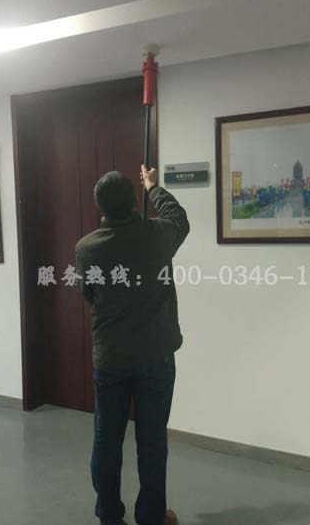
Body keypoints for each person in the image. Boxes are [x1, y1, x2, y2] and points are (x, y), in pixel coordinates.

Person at [75, 165, 190, 525]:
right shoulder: (159, 234)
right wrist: (153, 186)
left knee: (106, 439)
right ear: (134, 202)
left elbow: (89, 294)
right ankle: (151, 517)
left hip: (111, 357)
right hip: (156, 356)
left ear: (100, 207)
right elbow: (179, 218)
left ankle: (109, 515)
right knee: (152, 440)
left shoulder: (87, 248)